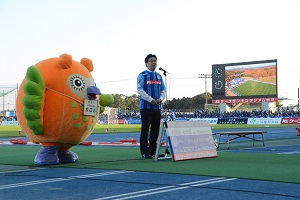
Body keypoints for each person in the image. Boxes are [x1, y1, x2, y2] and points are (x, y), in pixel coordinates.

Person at [137, 54, 166, 159]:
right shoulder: (142, 75)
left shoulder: (159, 76)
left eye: (155, 61)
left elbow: (163, 90)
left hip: (157, 107)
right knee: (145, 129)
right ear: (146, 63)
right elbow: (140, 90)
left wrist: (160, 99)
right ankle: (144, 152)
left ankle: (153, 150)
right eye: (151, 61)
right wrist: (151, 100)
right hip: (146, 107)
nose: (154, 63)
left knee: (155, 129)